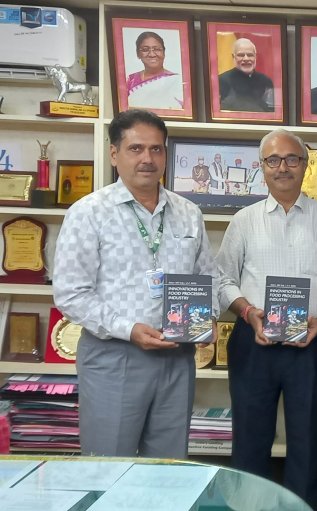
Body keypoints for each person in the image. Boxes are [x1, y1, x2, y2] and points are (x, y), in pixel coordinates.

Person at [53, 109, 219, 458]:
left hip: (178, 358)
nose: (148, 158)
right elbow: (71, 293)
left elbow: (206, 277)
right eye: (136, 149)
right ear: (114, 154)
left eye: (157, 149)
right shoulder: (89, 212)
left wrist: (208, 319)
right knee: (109, 463)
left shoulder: (189, 212)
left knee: (169, 466)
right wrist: (129, 329)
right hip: (115, 356)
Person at [216, 129, 317, 510]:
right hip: (254, 342)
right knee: (250, 438)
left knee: (307, 439)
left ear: (306, 165)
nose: (283, 167)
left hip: (311, 344)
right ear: (261, 168)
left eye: (292, 159)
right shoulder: (244, 220)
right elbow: (224, 278)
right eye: (273, 160)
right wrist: (246, 311)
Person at [126, 31, 184, 110]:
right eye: (145, 50)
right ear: (138, 54)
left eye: (157, 49)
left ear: (164, 52)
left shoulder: (177, 81)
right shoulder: (130, 80)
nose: (152, 54)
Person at [218, 38, 274, 112]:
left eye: (250, 55)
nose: (246, 58)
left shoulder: (266, 81)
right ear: (233, 57)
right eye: (241, 55)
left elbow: (271, 110)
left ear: (255, 57)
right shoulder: (221, 80)